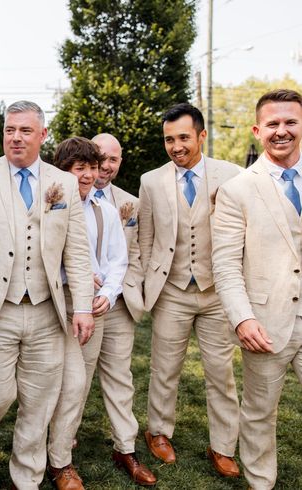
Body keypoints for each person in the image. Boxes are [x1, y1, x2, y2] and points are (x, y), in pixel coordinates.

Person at [0, 102, 94, 490]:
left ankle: (27, 478)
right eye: (9, 130)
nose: (15, 137)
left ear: (43, 135)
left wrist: (82, 305)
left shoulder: (63, 184)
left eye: (25, 131)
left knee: (39, 401)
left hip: (48, 311)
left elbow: (78, 251)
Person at [139, 103, 241, 477]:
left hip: (217, 292)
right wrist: (148, 288)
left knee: (221, 372)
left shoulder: (232, 175)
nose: (176, 146)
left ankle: (224, 446)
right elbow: (146, 238)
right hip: (172, 290)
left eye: (183, 137)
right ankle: (159, 432)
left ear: (201, 135)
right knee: (164, 369)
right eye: (169, 139)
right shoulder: (151, 181)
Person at [47, 137, 150, 489]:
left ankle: (62, 458)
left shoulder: (106, 208)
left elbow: (119, 258)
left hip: (94, 309)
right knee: (49, 384)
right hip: (54, 305)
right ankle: (42, 450)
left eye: (95, 167)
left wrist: (106, 291)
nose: (91, 174)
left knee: (79, 383)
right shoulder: (51, 204)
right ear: (64, 170)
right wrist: (73, 275)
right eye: (83, 168)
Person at [212, 89, 302, 489]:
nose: (281, 131)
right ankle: (261, 483)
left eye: (290, 122)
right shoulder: (238, 190)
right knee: (259, 414)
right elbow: (227, 265)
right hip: (266, 323)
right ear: (257, 130)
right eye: (273, 124)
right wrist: (243, 318)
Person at [88, 133, 155, 485]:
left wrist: (125, 290)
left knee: (119, 377)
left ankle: (125, 447)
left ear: (120, 162)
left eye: (113, 159)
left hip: (118, 306)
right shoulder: (68, 194)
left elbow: (137, 255)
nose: (105, 164)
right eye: (99, 157)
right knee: (75, 381)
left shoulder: (129, 203)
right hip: (79, 306)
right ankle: (61, 446)